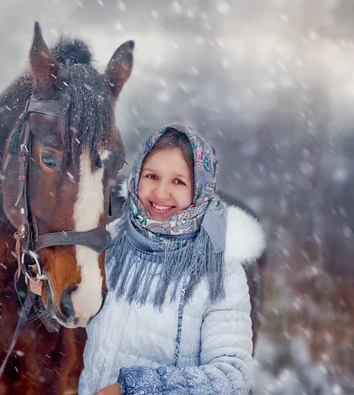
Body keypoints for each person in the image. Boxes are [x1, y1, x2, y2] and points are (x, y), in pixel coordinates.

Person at [78, 124, 266, 395]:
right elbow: (76, 314)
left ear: (200, 189)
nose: (161, 193)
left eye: (178, 181)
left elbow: (231, 377)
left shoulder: (219, 270)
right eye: (152, 176)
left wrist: (133, 390)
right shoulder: (110, 242)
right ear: (136, 177)